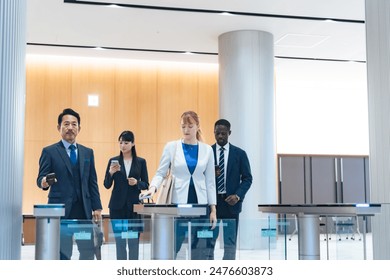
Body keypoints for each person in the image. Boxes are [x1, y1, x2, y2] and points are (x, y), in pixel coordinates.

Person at [142, 110, 217, 259]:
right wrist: (152, 188)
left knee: (199, 249)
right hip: (178, 205)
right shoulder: (172, 147)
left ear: (197, 126)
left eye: (190, 126)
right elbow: (160, 173)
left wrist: (213, 209)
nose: (186, 130)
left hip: (200, 205)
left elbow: (210, 182)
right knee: (174, 246)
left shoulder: (207, 150)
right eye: (183, 126)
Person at [36, 108, 103, 260]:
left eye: (74, 124)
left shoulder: (88, 152)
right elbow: (40, 178)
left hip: (83, 212)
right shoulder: (49, 151)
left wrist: (97, 207)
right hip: (61, 212)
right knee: (63, 253)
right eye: (66, 124)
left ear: (79, 128)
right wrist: (45, 181)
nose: (70, 127)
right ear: (59, 127)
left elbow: (92, 181)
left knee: (87, 252)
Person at [208, 119, 253, 260]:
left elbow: (247, 178)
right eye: (217, 133)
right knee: (208, 243)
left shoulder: (239, 154)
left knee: (230, 244)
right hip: (212, 206)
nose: (220, 136)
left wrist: (238, 196)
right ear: (214, 132)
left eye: (223, 133)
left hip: (231, 205)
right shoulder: (207, 152)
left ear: (229, 133)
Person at [103, 130, 149, 260]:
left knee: (134, 243)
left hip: (135, 207)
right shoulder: (113, 161)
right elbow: (106, 184)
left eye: (126, 142)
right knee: (120, 243)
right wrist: (111, 173)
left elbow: (146, 184)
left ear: (133, 143)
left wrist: (137, 183)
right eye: (121, 142)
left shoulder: (141, 162)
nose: (123, 145)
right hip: (117, 207)